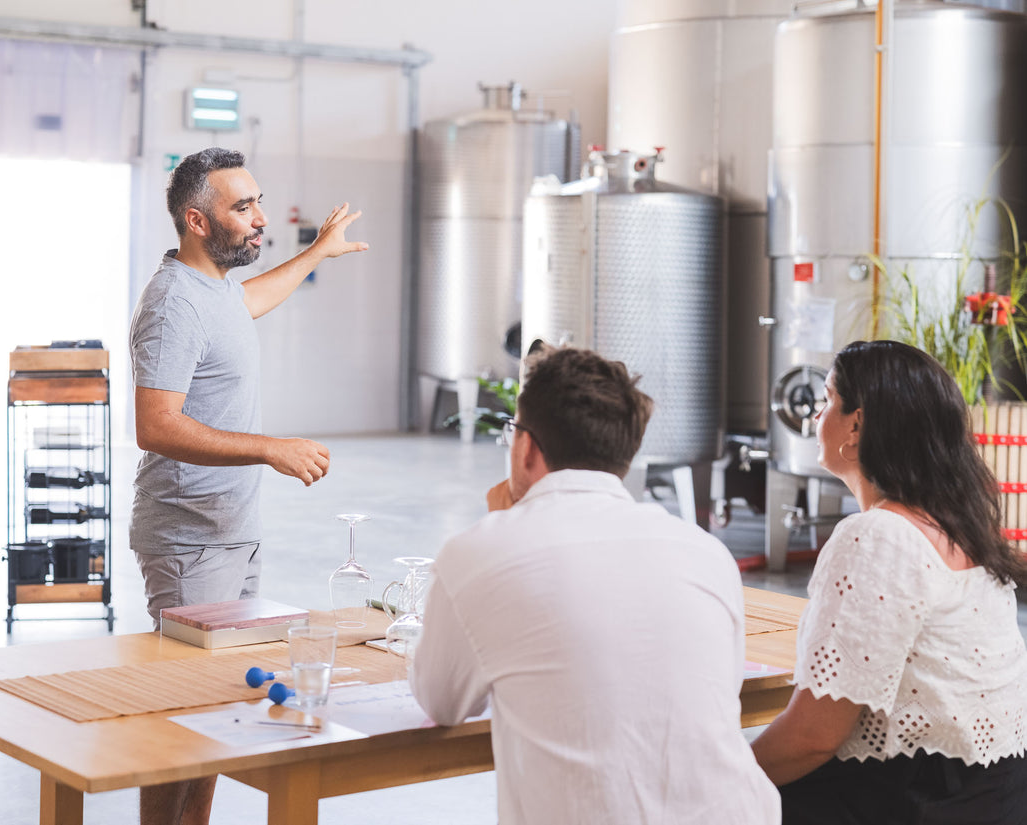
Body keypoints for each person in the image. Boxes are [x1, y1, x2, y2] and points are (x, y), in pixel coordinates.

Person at [410, 345, 781, 825]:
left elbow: (441, 701)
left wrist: (500, 533)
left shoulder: (479, 553)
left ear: (525, 447)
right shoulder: (705, 552)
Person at [128, 146, 367, 825]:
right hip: (189, 540)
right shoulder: (174, 304)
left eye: (258, 200)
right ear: (198, 221)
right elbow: (155, 425)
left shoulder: (217, 289)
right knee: (184, 718)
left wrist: (318, 251)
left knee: (215, 712)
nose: (260, 217)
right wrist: (270, 448)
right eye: (243, 207)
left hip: (230, 532)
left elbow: (252, 300)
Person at [751, 340, 1027, 824]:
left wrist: (711, 779)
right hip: (994, 796)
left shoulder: (878, 536)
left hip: (917, 802)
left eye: (827, 400)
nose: (815, 415)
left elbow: (813, 737)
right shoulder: (960, 529)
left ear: (856, 425)